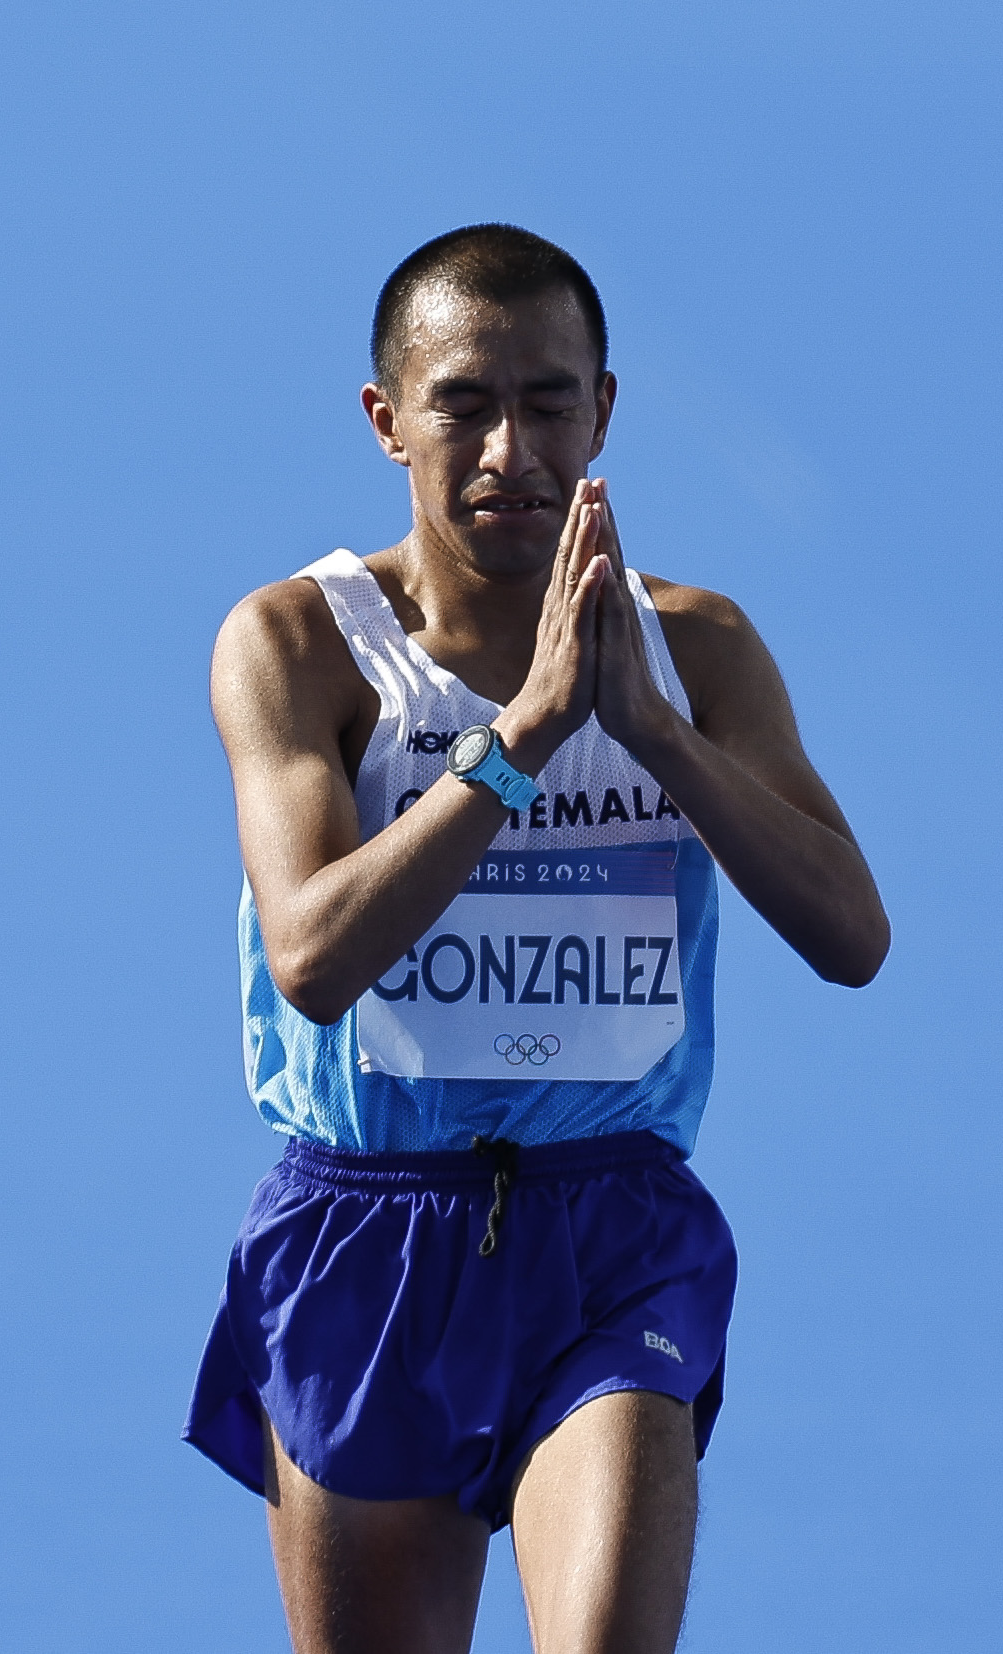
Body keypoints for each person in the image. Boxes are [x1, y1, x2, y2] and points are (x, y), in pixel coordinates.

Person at [185, 223, 889, 1654]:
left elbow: (850, 929)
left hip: (614, 1227)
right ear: (388, 420)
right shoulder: (296, 645)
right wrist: (519, 742)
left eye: (549, 401)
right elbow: (314, 955)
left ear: (605, 411)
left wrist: (645, 729)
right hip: (367, 1236)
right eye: (463, 403)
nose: (510, 448)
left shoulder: (699, 650)